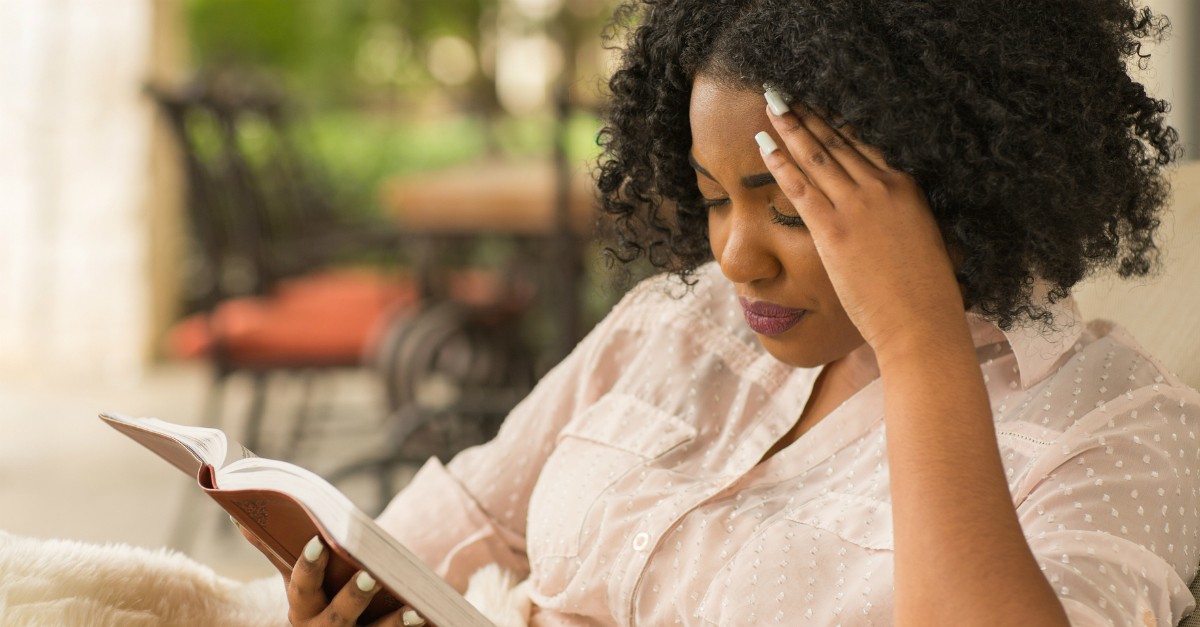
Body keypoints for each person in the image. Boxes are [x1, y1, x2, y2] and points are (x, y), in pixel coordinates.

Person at [284, 1, 1200, 625]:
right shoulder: (675, 325)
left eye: (793, 208)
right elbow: (447, 529)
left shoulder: (1115, 428)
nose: (733, 256)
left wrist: (919, 343)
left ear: (957, 186)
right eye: (715, 197)